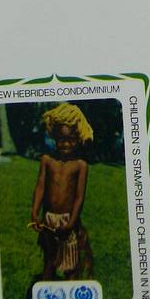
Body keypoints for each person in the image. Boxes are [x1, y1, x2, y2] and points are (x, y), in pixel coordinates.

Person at [30, 103, 94, 282]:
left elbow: (79, 197)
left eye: (71, 139)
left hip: (68, 221)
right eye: (61, 139)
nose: (66, 144)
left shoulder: (80, 166)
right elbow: (40, 187)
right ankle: (46, 293)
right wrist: (34, 212)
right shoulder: (47, 161)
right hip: (49, 220)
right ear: (54, 137)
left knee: (70, 265)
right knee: (49, 261)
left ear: (78, 138)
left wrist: (71, 222)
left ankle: (71, 291)